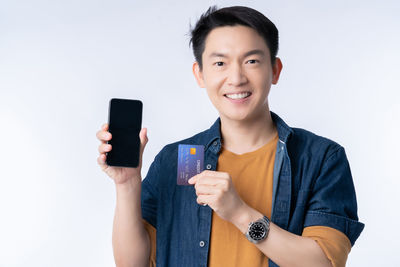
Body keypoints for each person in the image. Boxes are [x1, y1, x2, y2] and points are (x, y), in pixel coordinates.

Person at [96, 5, 364, 267]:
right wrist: (127, 184)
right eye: (220, 63)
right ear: (199, 74)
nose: (236, 78)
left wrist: (240, 213)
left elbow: (324, 263)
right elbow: (132, 263)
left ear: (275, 70)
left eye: (251, 61)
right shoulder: (179, 158)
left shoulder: (320, 158)